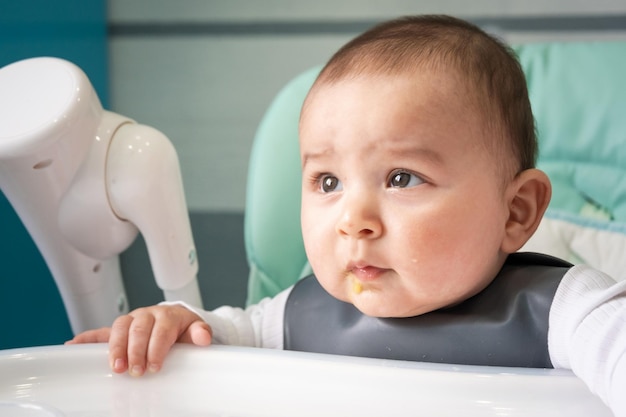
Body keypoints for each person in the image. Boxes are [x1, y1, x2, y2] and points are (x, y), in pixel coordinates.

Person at [68, 15, 626, 415]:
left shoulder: (565, 313)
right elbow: (224, 337)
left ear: (516, 211)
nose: (353, 219)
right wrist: (177, 324)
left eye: (401, 178)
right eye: (327, 182)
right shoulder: (299, 314)